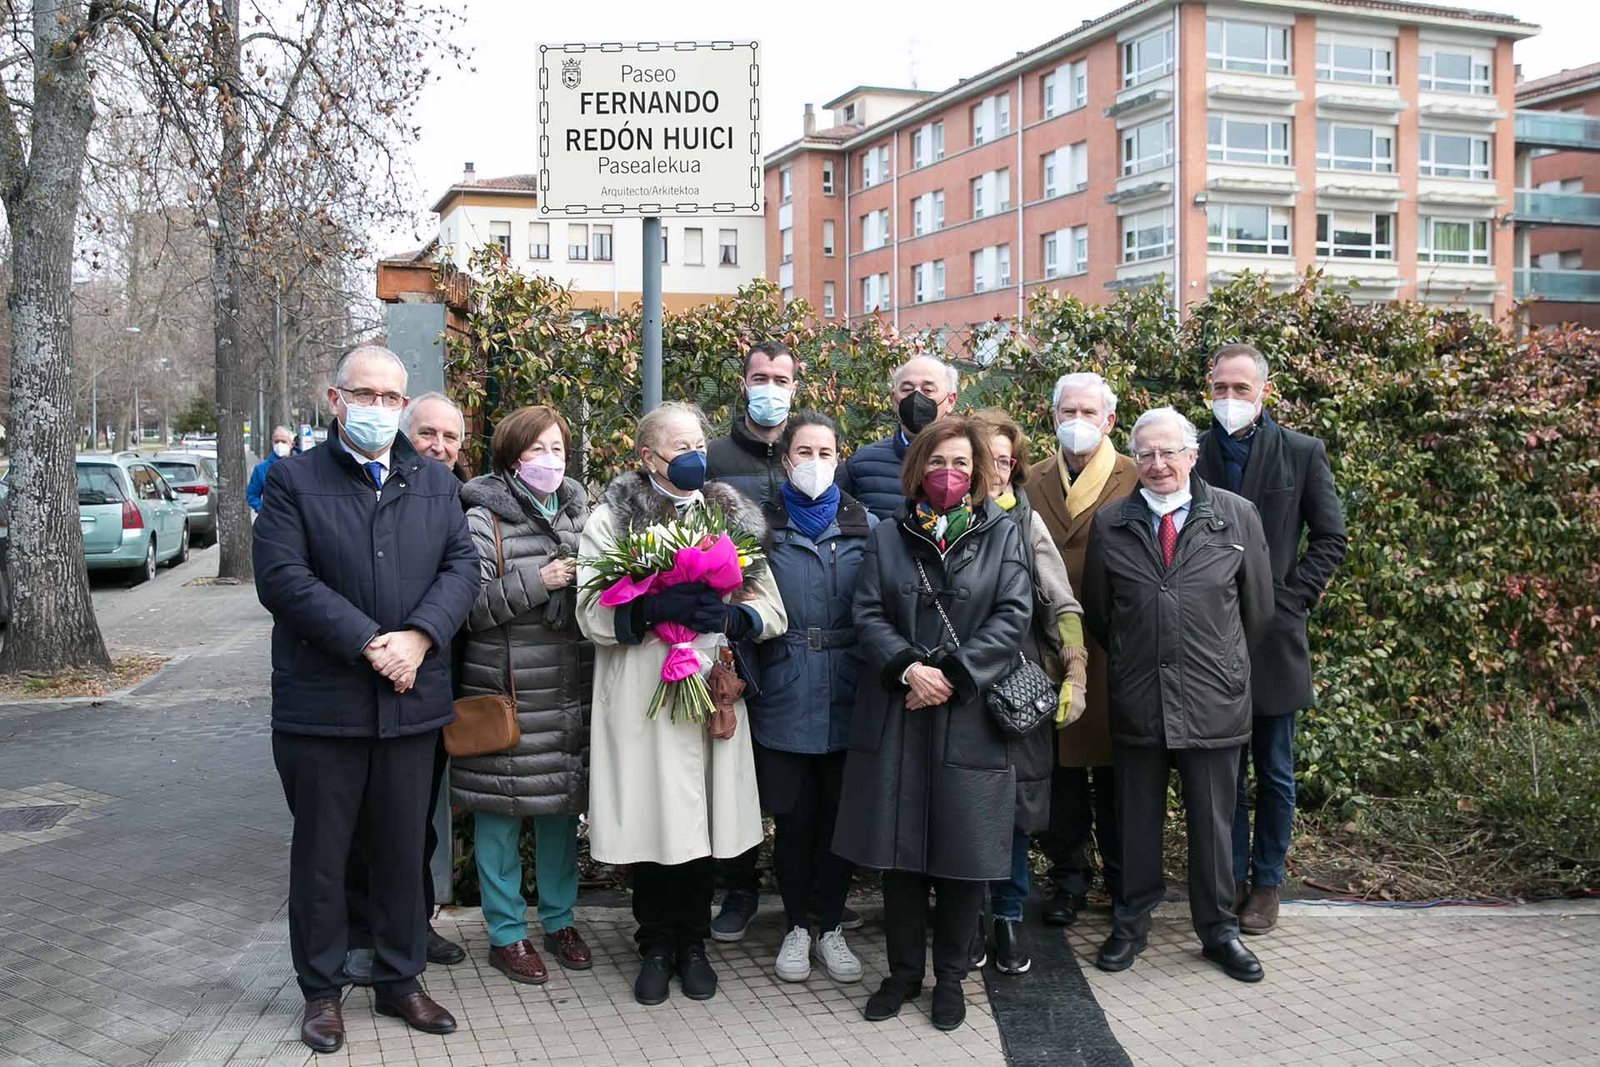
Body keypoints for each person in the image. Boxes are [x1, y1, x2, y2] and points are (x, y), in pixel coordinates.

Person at [253, 346, 479, 1053]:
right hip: (324, 709)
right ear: (335, 398)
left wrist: (418, 636)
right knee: (322, 855)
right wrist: (370, 642)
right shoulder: (293, 480)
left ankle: (399, 978)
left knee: (400, 848)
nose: (382, 407)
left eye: (393, 396)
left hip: (412, 706)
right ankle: (321, 992)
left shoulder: (434, 484)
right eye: (368, 393)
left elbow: (461, 567)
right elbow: (283, 579)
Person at [576, 401, 787, 1007]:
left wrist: (732, 615)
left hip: (708, 685)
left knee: (701, 821)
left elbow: (771, 605)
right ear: (647, 457)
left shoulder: (729, 514)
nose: (695, 454)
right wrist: (648, 610)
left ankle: (693, 943)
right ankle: (655, 944)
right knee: (652, 818)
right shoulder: (611, 519)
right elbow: (589, 611)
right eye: (678, 446)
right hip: (642, 687)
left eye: (699, 441)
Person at [834, 416, 1033, 1032]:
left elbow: (1013, 615)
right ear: (918, 468)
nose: (950, 475)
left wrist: (949, 673)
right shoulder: (890, 534)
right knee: (899, 857)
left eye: (962, 465)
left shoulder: (1002, 531)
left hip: (969, 716)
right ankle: (901, 973)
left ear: (978, 473)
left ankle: (951, 979)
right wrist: (907, 668)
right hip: (898, 714)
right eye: (939, 463)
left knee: (963, 855)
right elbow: (866, 611)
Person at [1079, 407, 1273, 984]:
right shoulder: (1110, 523)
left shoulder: (1236, 517)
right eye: (1146, 455)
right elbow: (1099, 612)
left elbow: (1256, 612)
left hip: (1214, 698)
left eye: (1169, 452)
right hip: (1139, 695)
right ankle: (1131, 924)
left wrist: (1216, 662)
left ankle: (1218, 932)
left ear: (1192, 455)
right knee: (1135, 820)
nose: (1158, 464)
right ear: (1133, 460)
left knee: (1214, 825)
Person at [1194, 343, 1347, 935]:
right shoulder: (1191, 452)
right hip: (1207, 637)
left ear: (1264, 389)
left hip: (1276, 639)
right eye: (1221, 389)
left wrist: (1289, 599)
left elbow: (1330, 538)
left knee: (1275, 770)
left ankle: (1266, 882)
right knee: (1220, 772)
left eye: (1241, 389)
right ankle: (1226, 877)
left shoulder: (1302, 453)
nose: (1229, 400)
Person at [453, 405, 595, 983]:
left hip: (568, 688)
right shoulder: (482, 516)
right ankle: (506, 933)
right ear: (512, 456)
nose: (549, 461)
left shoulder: (581, 513)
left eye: (558, 449)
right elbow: (470, 608)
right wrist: (542, 581)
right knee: (499, 819)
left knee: (561, 813)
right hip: (506, 692)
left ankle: (560, 920)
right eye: (537, 450)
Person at [344, 394, 470, 985]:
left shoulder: (454, 495)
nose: (438, 446)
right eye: (427, 433)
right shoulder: (376, 491)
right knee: (362, 821)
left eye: (450, 436)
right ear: (403, 430)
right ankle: (360, 931)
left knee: (413, 819)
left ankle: (412, 922)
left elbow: (460, 575)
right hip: (373, 675)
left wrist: (424, 643)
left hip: (436, 685)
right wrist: (394, 646)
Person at [746, 411, 875, 985]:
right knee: (794, 820)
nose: (815, 464)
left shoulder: (866, 527)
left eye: (826, 453)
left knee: (840, 819)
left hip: (849, 691)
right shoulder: (759, 529)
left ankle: (832, 928)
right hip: (784, 688)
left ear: (840, 458)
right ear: (785, 458)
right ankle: (797, 924)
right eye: (805, 452)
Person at [969, 409, 1088, 977]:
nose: (996, 469)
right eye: (986, 457)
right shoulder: (939, 518)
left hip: (1018, 689)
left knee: (1015, 812)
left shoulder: (1026, 522)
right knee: (963, 808)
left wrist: (1077, 671)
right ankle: (966, 917)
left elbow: (1060, 601)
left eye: (1006, 459)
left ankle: (1008, 917)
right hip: (959, 686)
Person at [1026, 372, 1139, 929]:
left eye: (1088, 413)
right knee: (1061, 774)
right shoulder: (1032, 478)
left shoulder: (1136, 476)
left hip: (1117, 650)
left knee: (1117, 776)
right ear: (1052, 418)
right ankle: (1068, 878)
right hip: (1054, 648)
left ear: (1109, 420)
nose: (1077, 422)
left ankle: (1124, 883)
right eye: (1067, 412)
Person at [704, 340, 799, 942]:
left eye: (781, 378)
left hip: (799, 634)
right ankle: (737, 888)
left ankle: (799, 894)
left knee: (793, 770)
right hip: (734, 633)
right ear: (743, 383)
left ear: (797, 386)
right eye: (759, 377)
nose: (770, 388)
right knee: (729, 766)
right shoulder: (710, 457)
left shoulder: (815, 451)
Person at [839, 355, 959, 520]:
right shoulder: (861, 465)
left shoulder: (971, 464)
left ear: (950, 400)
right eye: (907, 390)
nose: (916, 397)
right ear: (894, 400)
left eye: (928, 390)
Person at [403, 391, 470, 480]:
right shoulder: (382, 491)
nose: (439, 448)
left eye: (450, 437)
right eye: (427, 433)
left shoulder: (466, 493)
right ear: (403, 437)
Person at [247, 426, 295, 515]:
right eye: (276, 442)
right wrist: (263, 509)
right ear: (272, 443)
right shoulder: (261, 469)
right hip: (273, 522)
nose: (279, 444)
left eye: (283, 441)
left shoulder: (301, 466)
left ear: (292, 444)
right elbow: (252, 495)